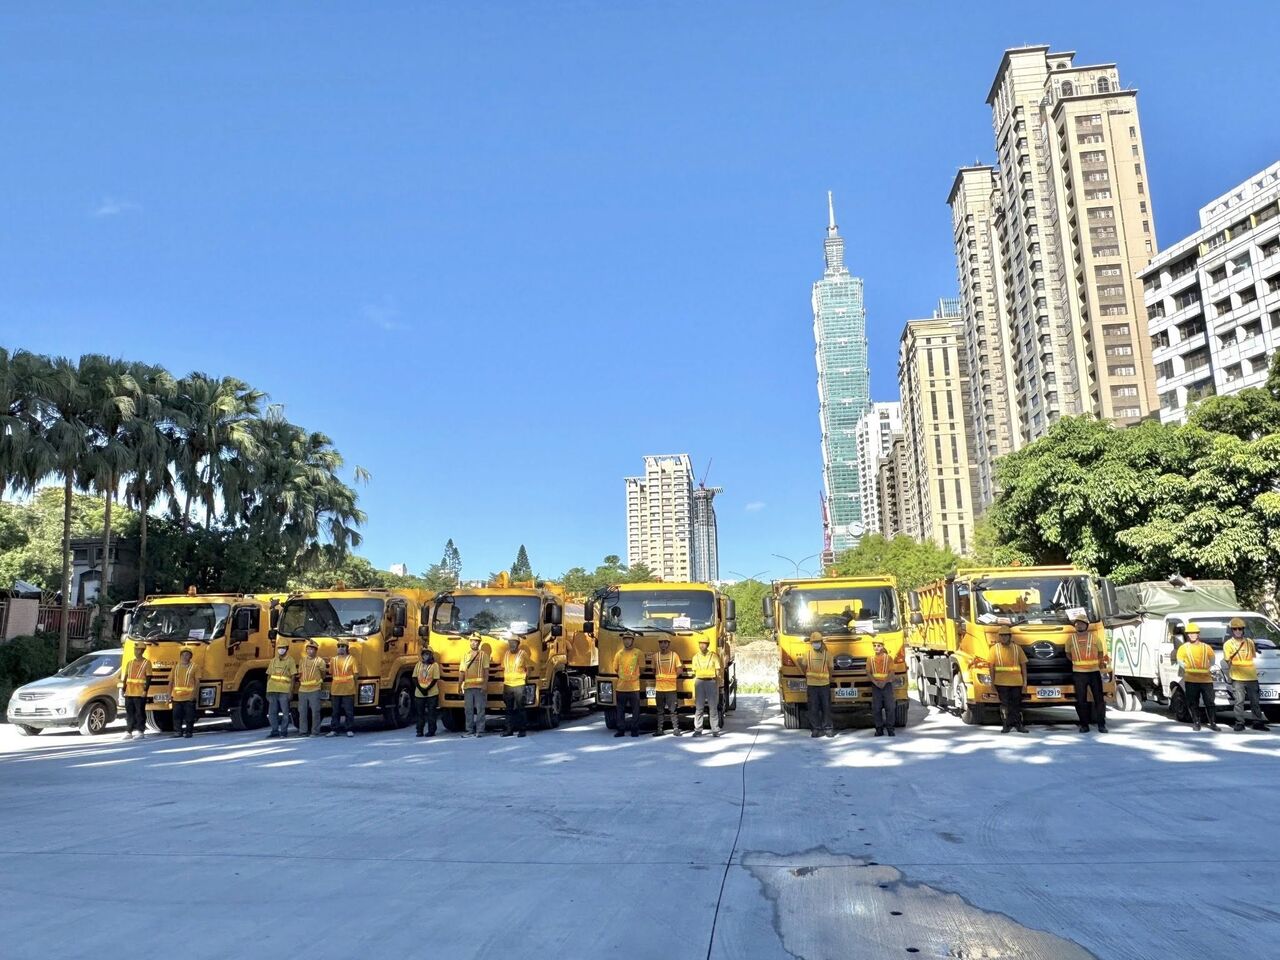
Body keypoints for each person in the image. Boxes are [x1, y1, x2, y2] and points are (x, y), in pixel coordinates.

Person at [1224, 617, 1269, 732]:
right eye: (1235, 629)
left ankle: (1257, 722)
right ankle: (1239, 723)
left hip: (1251, 676)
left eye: (1240, 628)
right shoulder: (1228, 644)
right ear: (1232, 630)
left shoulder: (1249, 642)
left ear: (1243, 629)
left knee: (1255, 701)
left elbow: (1252, 657)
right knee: (1239, 701)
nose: (1238, 631)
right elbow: (1228, 660)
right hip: (1237, 677)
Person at [1066, 614, 1108, 734]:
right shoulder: (1070, 639)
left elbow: (1100, 653)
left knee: (1099, 700)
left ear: (1086, 625)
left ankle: (1101, 725)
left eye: (1081, 623)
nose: (1079, 625)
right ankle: (1084, 725)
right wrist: (1078, 663)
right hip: (1079, 674)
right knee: (1081, 701)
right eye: (1077, 623)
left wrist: (1097, 664)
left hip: (1094, 672)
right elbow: (1068, 654)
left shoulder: (1095, 638)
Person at [1177, 623, 1219, 732]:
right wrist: (1188, 667)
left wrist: (1207, 667)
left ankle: (1213, 723)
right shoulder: (1183, 648)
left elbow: (1212, 660)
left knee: (1210, 702)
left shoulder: (1206, 647)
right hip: (1191, 680)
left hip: (1206, 680)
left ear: (1198, 634)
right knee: (1193, 702)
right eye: (1190, 633)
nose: (1192, 635)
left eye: (1194, 633)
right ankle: (1196, 723)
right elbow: (1180, 661)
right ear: (1187, 635)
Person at [796, 632, 834, 738]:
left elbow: (831, 669)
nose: (815, 644)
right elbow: (803, 667)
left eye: (817, 642)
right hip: (812, 685)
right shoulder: (807, 655)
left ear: (821, 642)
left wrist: (828, 678)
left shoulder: (827, 654)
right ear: (811, 643)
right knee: (813, 708)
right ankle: (816, 729)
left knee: (826, 707)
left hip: (824, 685)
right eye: (813, 642)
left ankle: (828, 728)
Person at [991, 630, 1028, 734]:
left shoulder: (1017, 648)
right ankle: (1006, 724)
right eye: (1002, 635)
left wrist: (1025, 682)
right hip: (1001, 682)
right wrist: (992, 683)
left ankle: (1018, 724)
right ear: (999, 637)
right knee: (1005, 704)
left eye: (1006, 635)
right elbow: (991, 667)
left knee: (1017, 704)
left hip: (1016, 682)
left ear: (1010, 636)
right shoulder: (994, 649)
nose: (1003, 637)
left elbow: (1023, 666)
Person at [612, 632, 644, 738]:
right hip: (621, 687)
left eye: (629, 639)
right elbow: (616, 668)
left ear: (632, 641)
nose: (627, 641)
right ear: (623, 641)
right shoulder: (619, 654)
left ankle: (634, 730)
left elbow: (642, 668)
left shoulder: (638, 653)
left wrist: (633, 676)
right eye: (625, 639)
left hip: (634, 687)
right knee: (620, 710)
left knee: (636, 710)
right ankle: (620, 730)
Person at [119, 640, 151, 740]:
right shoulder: (130, 663)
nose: (136, 651)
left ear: (142, 651)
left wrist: (145, 691)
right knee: (129, 713)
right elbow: (126, 677)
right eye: (135, 649)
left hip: (140, 692)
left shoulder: (146, 663)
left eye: (138, 650)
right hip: (129, 692)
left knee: (139, 713)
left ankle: (140, 731)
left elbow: (149, 678)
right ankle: (129, 731)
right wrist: (123, 689)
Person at [460, 634, 491, 737]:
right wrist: (459, 684)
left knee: (480, 710)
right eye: (472, 641)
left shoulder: (483, 655)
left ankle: (480, 731)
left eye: (476, 641)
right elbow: (462, 671)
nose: (474, 643)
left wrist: (485, 684)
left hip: (479, 687)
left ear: (479, 643)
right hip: (468, 687)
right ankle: (469, 730)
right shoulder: (465, 655)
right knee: (468, 710)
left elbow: (486, 671)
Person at [652, 635, 683, 737]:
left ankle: (676, 729)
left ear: (668, 644)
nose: (663, 644)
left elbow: (679, 670)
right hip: (659, 688)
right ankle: (659, 730)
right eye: (661, 642)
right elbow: (653, 670)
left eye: (665, 642)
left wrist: (673, 677)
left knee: (673, 710)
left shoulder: (674, 655)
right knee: (660, 711)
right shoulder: (655, 656)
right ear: (659, 644)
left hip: (671, 688)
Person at [691, 637, 722, 737]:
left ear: (708, 645)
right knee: (699, 708)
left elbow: (718, 671)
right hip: (699, 682)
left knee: (713, 707)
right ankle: (698, 729)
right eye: (700, 643)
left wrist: (716, 683)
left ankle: (715, 730)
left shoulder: (714, 656)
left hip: (710, 682)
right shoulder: (695, 657)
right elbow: (694, 672)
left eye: (704, 643)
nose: (702, 645)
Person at [265, 642, 297, 739]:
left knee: (285, 713)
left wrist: (291, 691)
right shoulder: (273, 661)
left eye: (283, 647)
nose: (281, 649)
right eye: (279, 648)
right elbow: (269, 676)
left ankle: (283, 731)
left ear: (287, 649)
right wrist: (267, 690)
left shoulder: (290, 660)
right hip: (272, 689)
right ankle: (274, 730)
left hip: (284, 690)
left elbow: (293, 677)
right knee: (272, 713)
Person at [501, 633, 530, 738]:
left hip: (519, 684)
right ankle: (509, 730)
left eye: (514, 643)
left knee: (520, 708)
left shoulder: (523, 654)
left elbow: (528, 669)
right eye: (510, 642)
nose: (512, 644)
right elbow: (504, 667)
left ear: (518, 644)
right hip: (508, 685)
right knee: (508, 709)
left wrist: (525, 681)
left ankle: (522, 730)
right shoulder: (506, 654)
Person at [327, 640, 358, 738]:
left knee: (349, 711)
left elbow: (356, 674)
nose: (340, 648)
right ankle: (334, 729)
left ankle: (349, 729)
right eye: (339, 646)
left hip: (348, 689)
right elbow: (331, 672)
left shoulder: (351, 659)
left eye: (343, 646)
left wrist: (353, 685)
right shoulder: (333, 660)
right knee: (335, 711)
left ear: (347, 648)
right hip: (336, 689)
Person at [297, 641, 326, 737]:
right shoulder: (302, 660)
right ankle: (303, 731)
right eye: (308, 649)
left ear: (316, 650)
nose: (310, 651)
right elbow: (300, 673)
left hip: (315, 689)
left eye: (312, 649)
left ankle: (315, 731)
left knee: (315, 711)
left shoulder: (320, 661)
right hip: (302, 689)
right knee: (302, 712)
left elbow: (323, 674)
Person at [868, 638, 895, 737]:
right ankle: (879, 729)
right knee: (876, 708)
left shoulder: (889, 658)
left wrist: (884, 681)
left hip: (886, 685)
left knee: (890, 707)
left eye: (878, 646)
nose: (876, 648)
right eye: (874, 646)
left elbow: (892, 672)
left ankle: (890, 729)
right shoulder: (870, 659)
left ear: (883, 647)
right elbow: (868, 672)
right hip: (876, 686)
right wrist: (875, 682)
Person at [170, 647, 198, 739]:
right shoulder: (175, 667)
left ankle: (189, 732)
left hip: (189, 697)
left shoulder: (195, 667)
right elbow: (171, 681)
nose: (185, 656)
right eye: (183, 655)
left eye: (187, 655)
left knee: (189, 716)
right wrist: (169, 694)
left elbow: (197, 682)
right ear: (180, 656)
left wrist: (194, 694)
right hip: (176, 696)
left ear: (191, 657)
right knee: (176, 716)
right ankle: (177, 732)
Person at [413, 647, 440, 737]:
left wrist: (427, 689)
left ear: (431, 655)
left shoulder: (434, 665)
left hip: (432, 693)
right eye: (424, 654)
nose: (425, 656)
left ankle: (431, 731)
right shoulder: (418, 664)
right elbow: (414, 677)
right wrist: (421, 689)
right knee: (420, 713)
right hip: (419, 693)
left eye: (427, 654)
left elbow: (435, 679)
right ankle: (419, 731)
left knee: (431, 713)